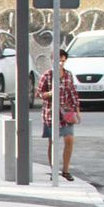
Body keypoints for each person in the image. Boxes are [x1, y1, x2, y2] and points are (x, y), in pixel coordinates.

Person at [37, 47, 80, 181]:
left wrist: (77, 110)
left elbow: (73, 92)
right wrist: (49, 94)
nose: (60, 63)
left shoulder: (68, 75)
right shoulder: (47, 75)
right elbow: (39, 93)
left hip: (66, 112)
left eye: (62, 60)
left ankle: (66, 170)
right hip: (51, 112)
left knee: (69, 139)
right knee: (53, 141)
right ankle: (54, 169)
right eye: (57, 60)